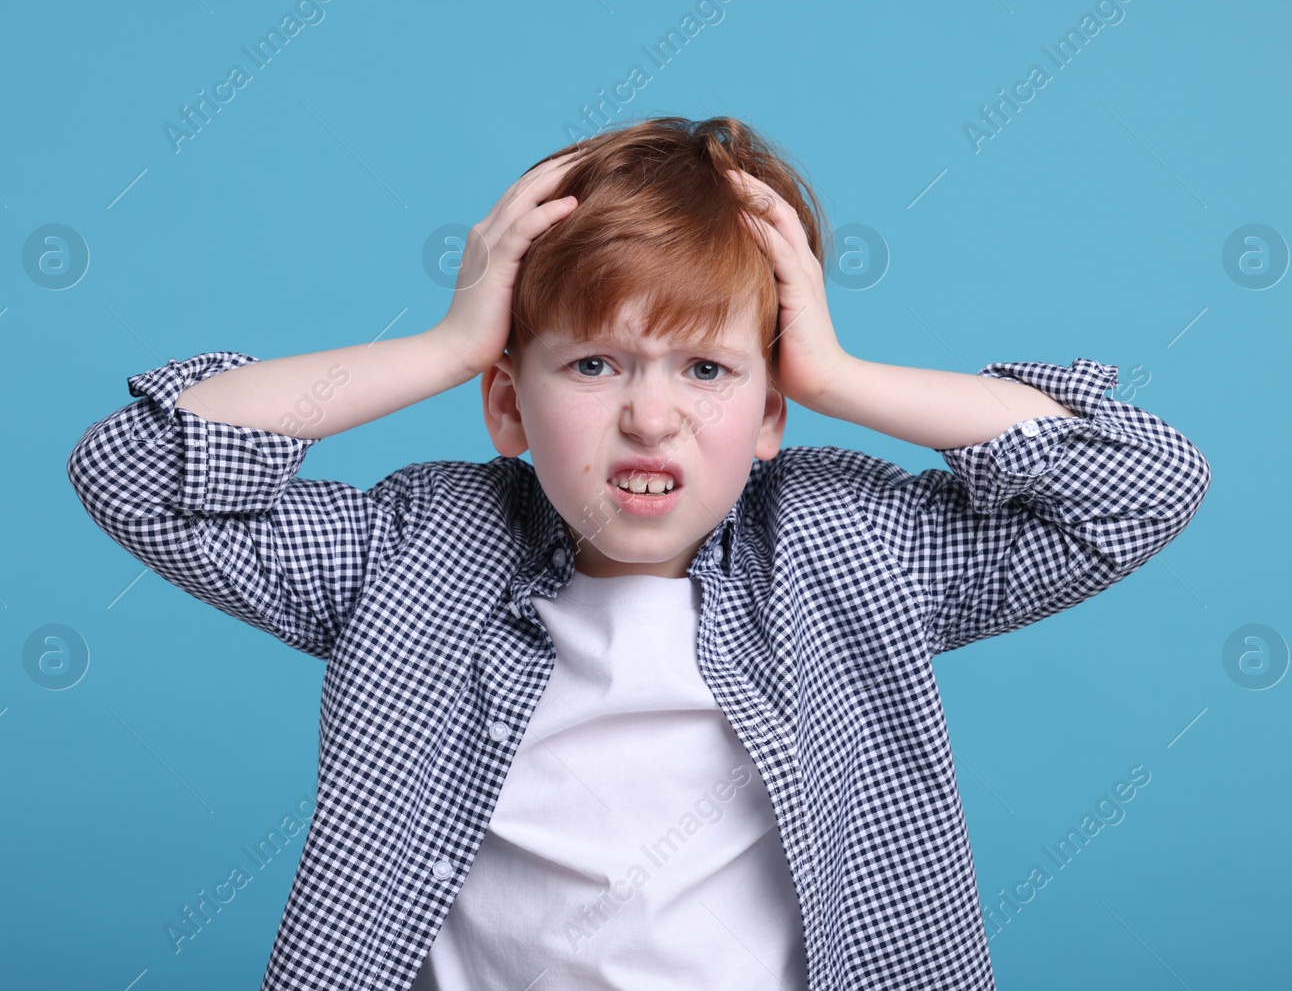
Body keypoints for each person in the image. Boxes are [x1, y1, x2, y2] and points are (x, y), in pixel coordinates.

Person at [66, 115, 1211, 990]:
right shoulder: (415, 549)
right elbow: (133, 465)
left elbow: (1143, 482)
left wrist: (837, 378)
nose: (649, 417)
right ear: (507, 407)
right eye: (595, 365)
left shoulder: (851, 543)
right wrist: (445, 344)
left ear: (770, 415)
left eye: (706, 370)